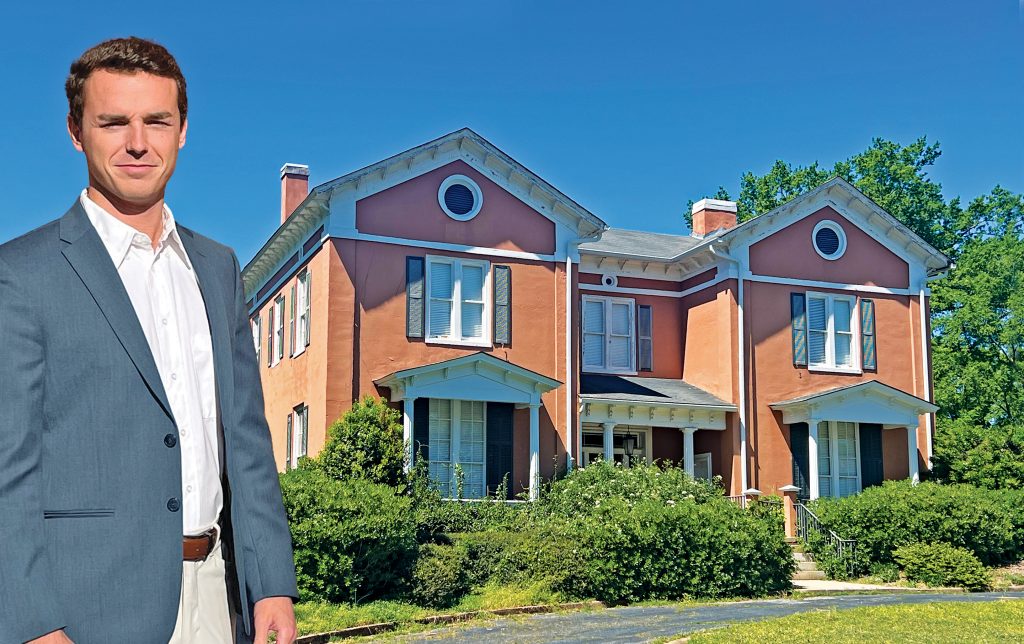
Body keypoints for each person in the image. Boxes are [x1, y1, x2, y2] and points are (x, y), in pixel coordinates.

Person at [0, 37, 299, 643]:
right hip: (86, 609)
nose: (138, 142)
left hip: (219, 595)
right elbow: (9, 467)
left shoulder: (218, 268)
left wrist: (271, 582)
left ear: (181, 130)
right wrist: (31, 623)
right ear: (76, 132)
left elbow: (246, 440)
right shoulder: (22, 274)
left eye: (157, 121)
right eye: (114, 122)